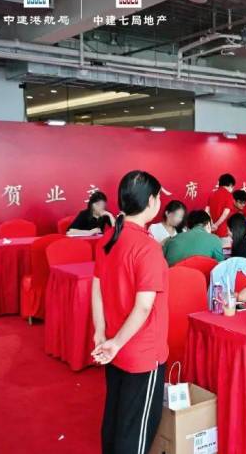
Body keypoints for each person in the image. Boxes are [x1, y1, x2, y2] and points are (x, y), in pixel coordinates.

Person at [90, 171, 167, 454]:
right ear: (151, 201)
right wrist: (116, 342)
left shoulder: (109, 238)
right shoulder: (147, 247)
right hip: (141, 352)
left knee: (116, 416)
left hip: (115, 343)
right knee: (136, 428)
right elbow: (144, 306)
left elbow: (96, 288)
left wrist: (102, 333)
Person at [205, 173, 235, 238]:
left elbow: (207, 211)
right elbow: (226, 213)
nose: (232, 189)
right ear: (230, 185)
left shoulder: (212, 194)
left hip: (211, 229)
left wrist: (212, 224)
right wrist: (216, 225)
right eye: (233, 187)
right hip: (222, 230)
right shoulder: (229, 195)